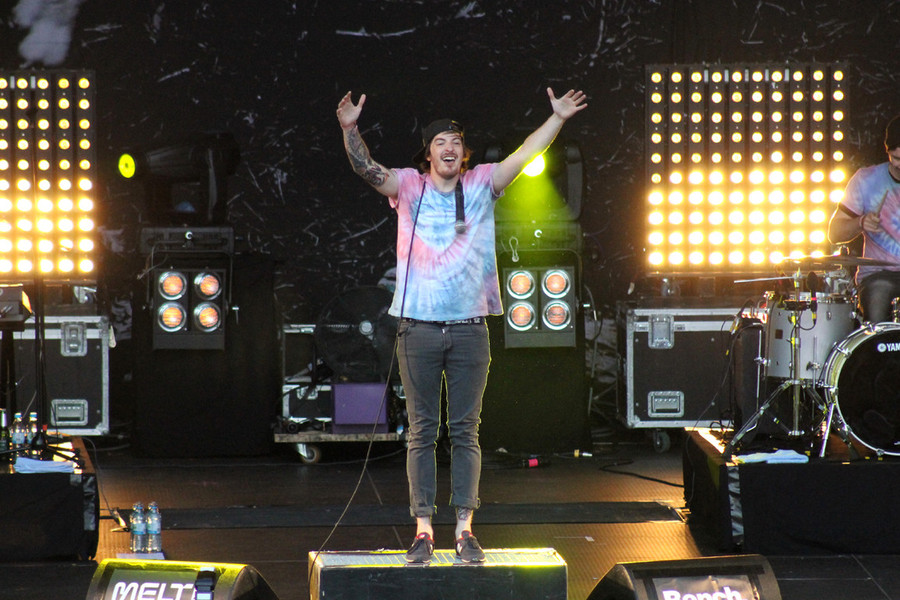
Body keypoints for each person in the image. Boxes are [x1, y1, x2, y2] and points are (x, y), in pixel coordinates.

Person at [336, 87, 587, 563]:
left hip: (471, 328)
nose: (449, 148)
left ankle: (465, 530)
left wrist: (556, 119)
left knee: (466, 431)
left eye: (455, 142)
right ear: (428, 154)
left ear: (463, 152)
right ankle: (423, 530)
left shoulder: (482, 183)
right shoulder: (409, 186)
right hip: (418, 328)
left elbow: (525, 154)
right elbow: (366, 169)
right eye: (440, 143)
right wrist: (350, 128)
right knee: (421, 432)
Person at [829, 114, 900, 323]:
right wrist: (860, 222)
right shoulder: (865, 180)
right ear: (887, 151)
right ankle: (879, 344)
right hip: (878, 274)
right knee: (879, 292)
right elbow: (834, 233)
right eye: (896, 158)